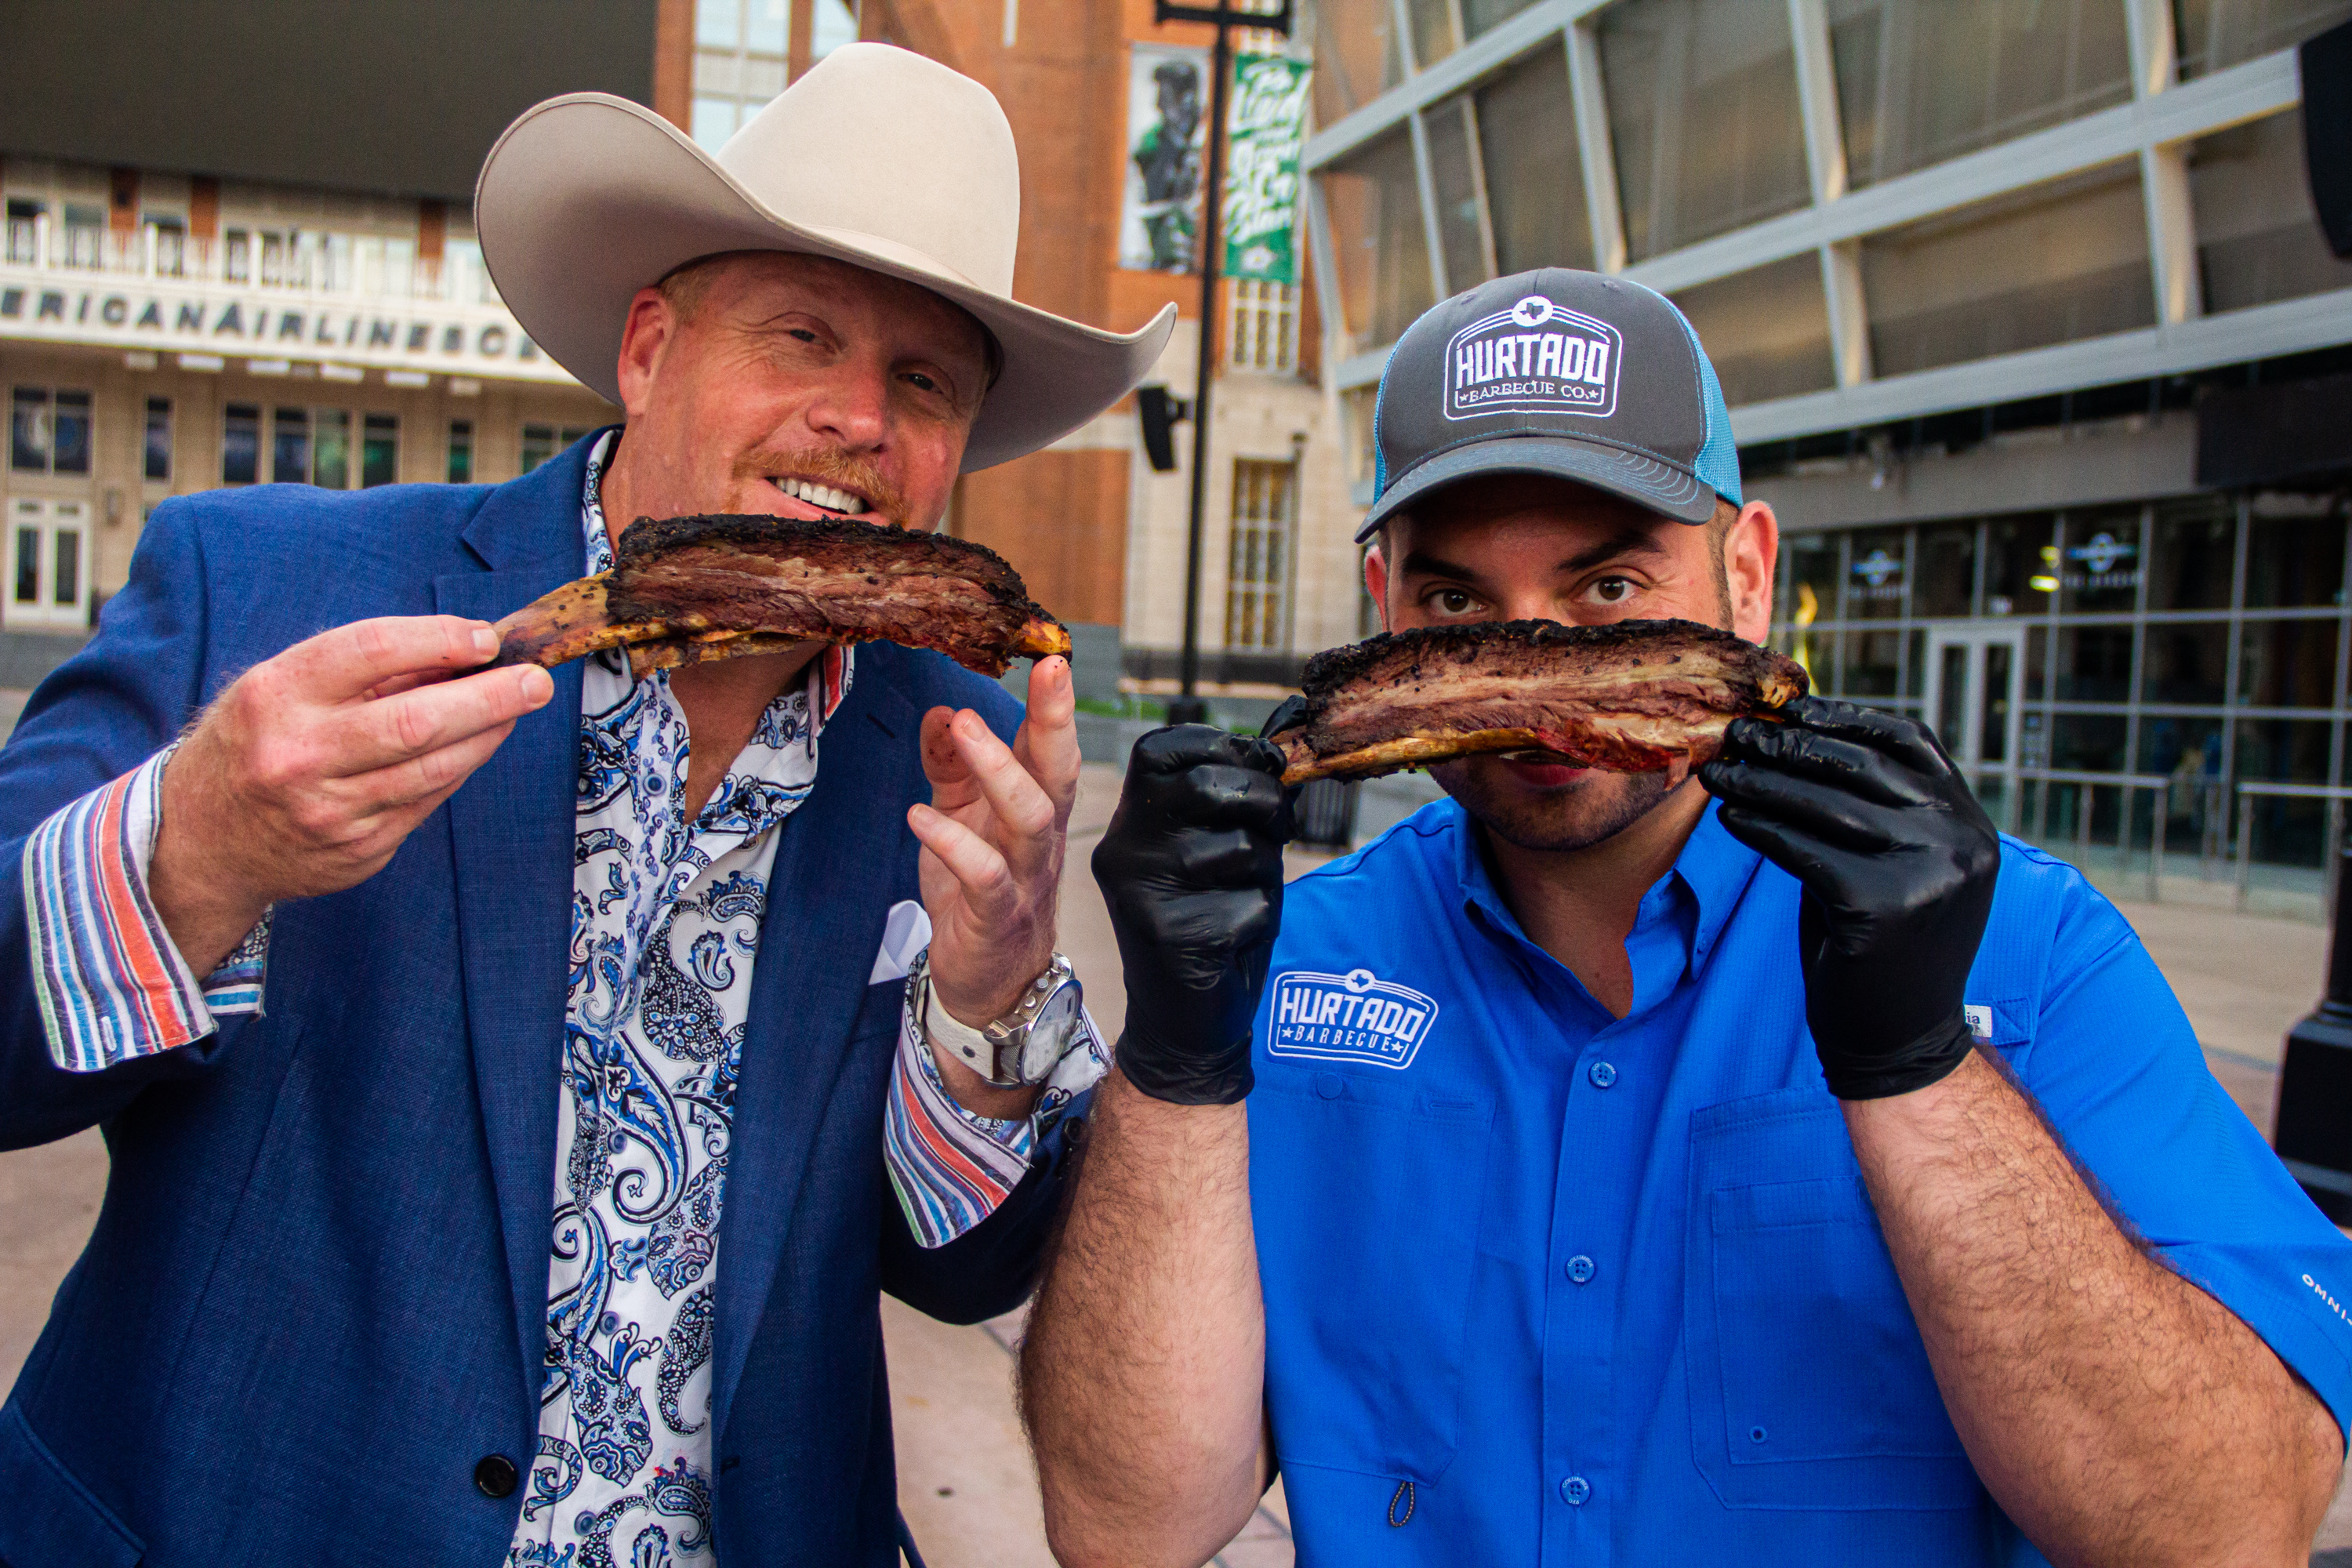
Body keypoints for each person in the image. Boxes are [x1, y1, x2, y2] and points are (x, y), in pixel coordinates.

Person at [0, 45, 1172, 1568]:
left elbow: (962, 1274)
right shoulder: (268, 594)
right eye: (801, 335)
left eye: (923, 380)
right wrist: (192, 849)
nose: (858, 422)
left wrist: (990, 1006)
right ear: (645, 348)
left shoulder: (971, 753)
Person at [1025, 269, 2352, 1567]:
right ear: (1385, 610)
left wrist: (1923, 1069)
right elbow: (1123, 1529)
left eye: (1608, 591)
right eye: (1458, 605)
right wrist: (1176, 1057)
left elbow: (2228, 1528)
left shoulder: (2025, 948)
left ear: (1749, 576)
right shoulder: (1300, 968)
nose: (1538, 672)